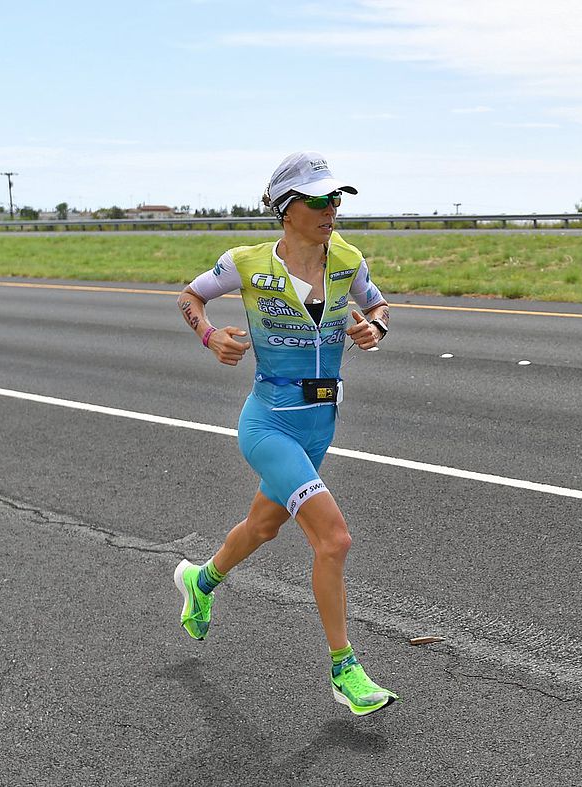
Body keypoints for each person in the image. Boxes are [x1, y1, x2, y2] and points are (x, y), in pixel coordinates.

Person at [173, 151, 397, 716]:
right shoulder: (245, 263)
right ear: (286, 207)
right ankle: (344, 669)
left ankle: (201, 581)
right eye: (319, 200)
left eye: (336, 198)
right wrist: (209, 336)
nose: (332, 209)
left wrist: (375, 328)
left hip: (320, 425)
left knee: (263, 526)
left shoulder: (348, 260)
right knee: (334, 538)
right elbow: (189, 297)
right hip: (268, 423)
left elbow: (379, 307)